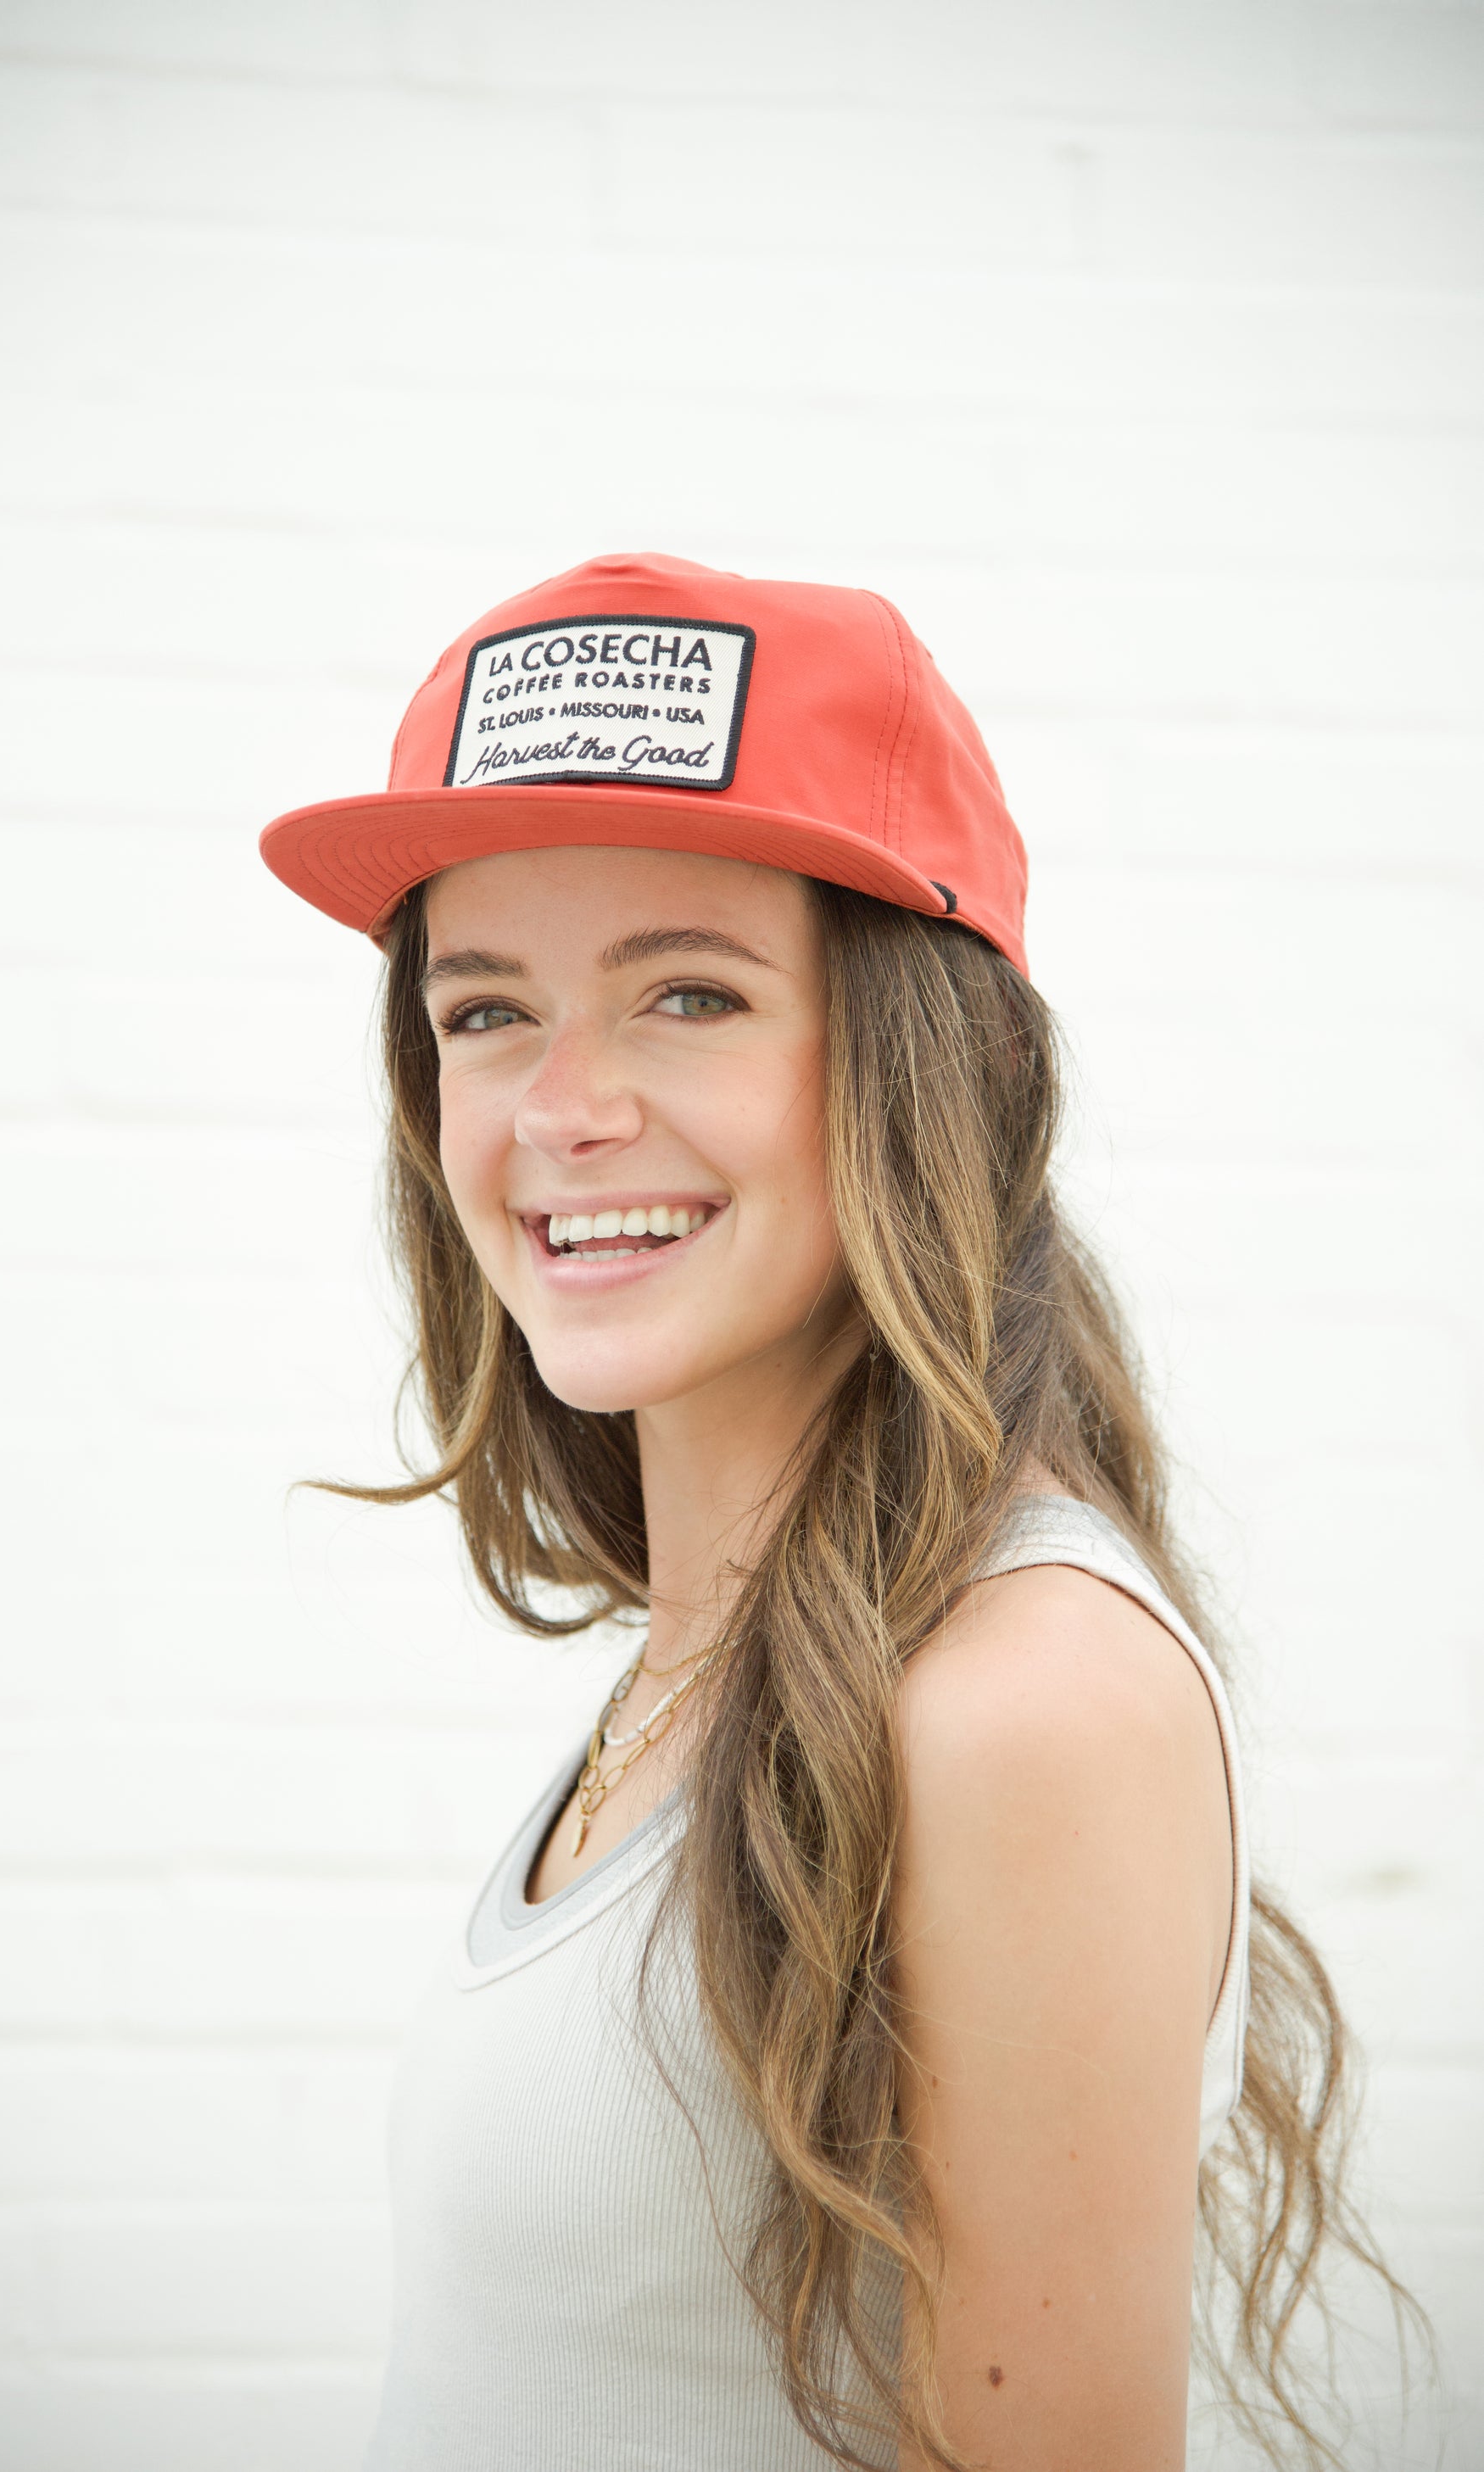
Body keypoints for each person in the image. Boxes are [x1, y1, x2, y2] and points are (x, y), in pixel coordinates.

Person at [260, 553, 1420, 2470]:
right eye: (486, 1012)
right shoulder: (732, 1641)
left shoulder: (1017, 1700)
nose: (559, 1107)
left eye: (687, 995)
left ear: (916, 1066)